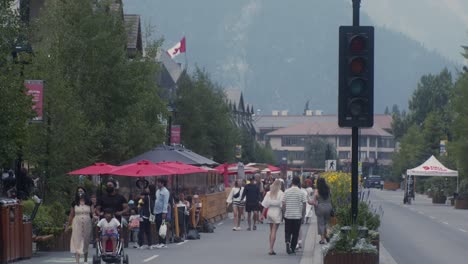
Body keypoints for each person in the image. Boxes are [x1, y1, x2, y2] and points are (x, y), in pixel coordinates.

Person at [67, 187, 93, 264]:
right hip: (76, 223)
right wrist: (68, 225)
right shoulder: (74, 203)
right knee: (76, 240)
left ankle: (85, 259)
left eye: (81, 191)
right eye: (78, 191)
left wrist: (95, 217)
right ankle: (77, 261)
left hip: (87, 223)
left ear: (85, 192)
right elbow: (71, 215)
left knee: (86, 240)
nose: (80, 193)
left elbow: (92, 213)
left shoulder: (89, 202)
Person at [282, 176, 306, 255]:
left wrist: (283, 213)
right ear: (299, 183)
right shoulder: (301, 192)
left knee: (287, 231)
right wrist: (303, 216)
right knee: (295, 233)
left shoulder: (286, 191)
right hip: (297, 215)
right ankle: (292, 248)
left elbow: (283, 204)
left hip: (288, 215)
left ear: (292, 182)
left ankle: (287, 241)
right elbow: (304, 204)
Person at [261, 179, 284, 255]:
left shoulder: (269, 193)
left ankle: (270, 248)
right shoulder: (281, 193)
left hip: (269, 211)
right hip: (277, 212)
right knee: (274, 231)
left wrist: (262, 215)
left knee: (271, 231)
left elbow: (264, 205)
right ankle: (271, 249)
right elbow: (282, 205)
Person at [310, 177, 332, 244]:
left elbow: (314, 201)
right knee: (327, 222)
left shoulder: (317, 190)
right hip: (328, 206)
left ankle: (322, 239)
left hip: (320, 207)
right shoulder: (328, 189)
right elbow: (331, 197)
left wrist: (309, 202)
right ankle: (327, 236)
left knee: (321, 223)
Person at [153, 178, 170, 248]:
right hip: (156, 211)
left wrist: (164, 212)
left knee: (162, 227)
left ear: (162, 183)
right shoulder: (157, 191)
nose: (158, 184)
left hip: (162, 212)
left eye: (159, 182)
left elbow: (165, 203)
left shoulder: (166, 192)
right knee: (157, 227)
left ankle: (163, 242)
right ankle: (159, 242)